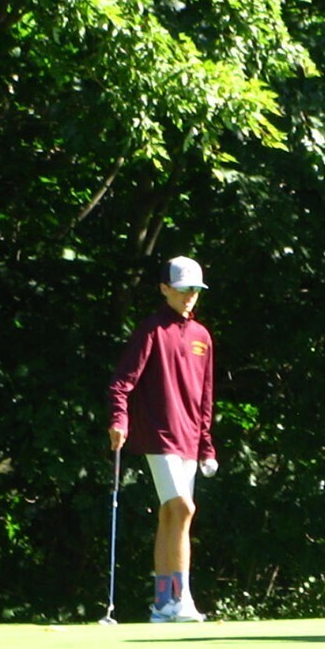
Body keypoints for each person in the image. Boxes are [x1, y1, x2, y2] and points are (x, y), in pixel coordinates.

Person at [107, 255, 218, 623]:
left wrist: (206, 445)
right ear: (165, 289)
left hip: (190, 438)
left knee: (172, 515)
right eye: (183, 289)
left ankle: (163, 604)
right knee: (183, 508)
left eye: (195, 290)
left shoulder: (202, 337)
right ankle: (181, 599)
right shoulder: (151, 329)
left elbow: (205, 397)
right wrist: (119, 419)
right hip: (158, 434)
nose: (189, 296)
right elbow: (122, 382)